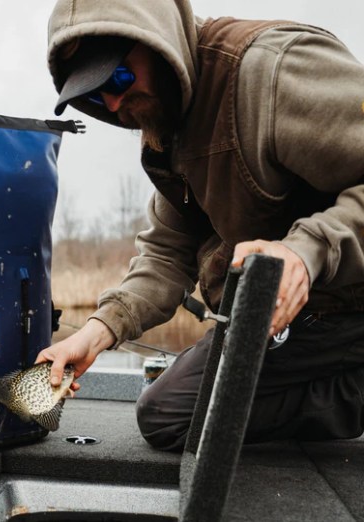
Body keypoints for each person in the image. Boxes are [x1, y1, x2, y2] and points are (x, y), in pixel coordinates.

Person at [36, 0, 364, 451]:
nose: (113, 102)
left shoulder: (272, 73)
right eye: (94, 93)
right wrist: (97, 332)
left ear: (160, 43)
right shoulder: (170, 126)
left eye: (118, 77)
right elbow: (166, 253)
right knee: (167, 416)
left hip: (345, 308)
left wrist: (306, 253)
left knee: (173, 416)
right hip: (287, 322)